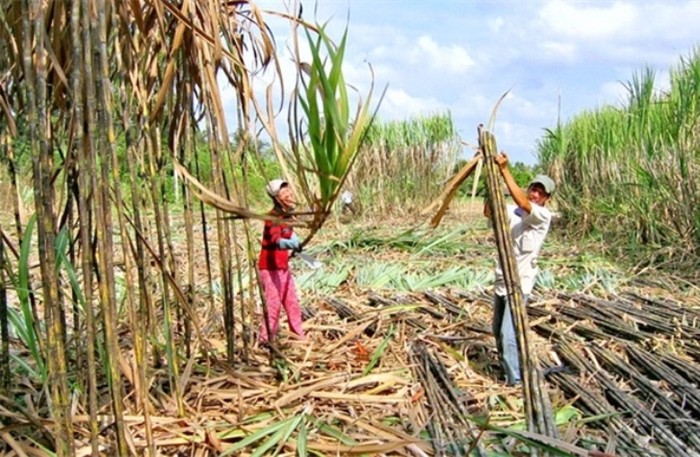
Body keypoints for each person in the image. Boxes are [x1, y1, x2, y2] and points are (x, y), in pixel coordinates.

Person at [484, 153, 555, 385]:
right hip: (501, 281)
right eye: (533, 189)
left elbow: (524, 204)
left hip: (519, 284)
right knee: (497, 331)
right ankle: (509, 368)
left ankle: (515, 380)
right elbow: (489, 211)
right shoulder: (512, 211)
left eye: (540, 192)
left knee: (508, 333)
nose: (535, 194)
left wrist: (504, 170)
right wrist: (490, 176)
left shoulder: (542, 215)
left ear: (546, 199)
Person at [258, 178, 305, 344]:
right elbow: (275, 239)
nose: (289, 194)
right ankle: (266, 340)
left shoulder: (287, 215)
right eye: (284, 193)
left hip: (282, 266)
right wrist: (289, 244)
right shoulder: (272, 217)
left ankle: (299, 336)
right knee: (274, 304)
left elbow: (289, 233)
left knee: (292, 302)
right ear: (276, 197)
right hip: (270, 268)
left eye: (289, 190)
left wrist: (297, 242)